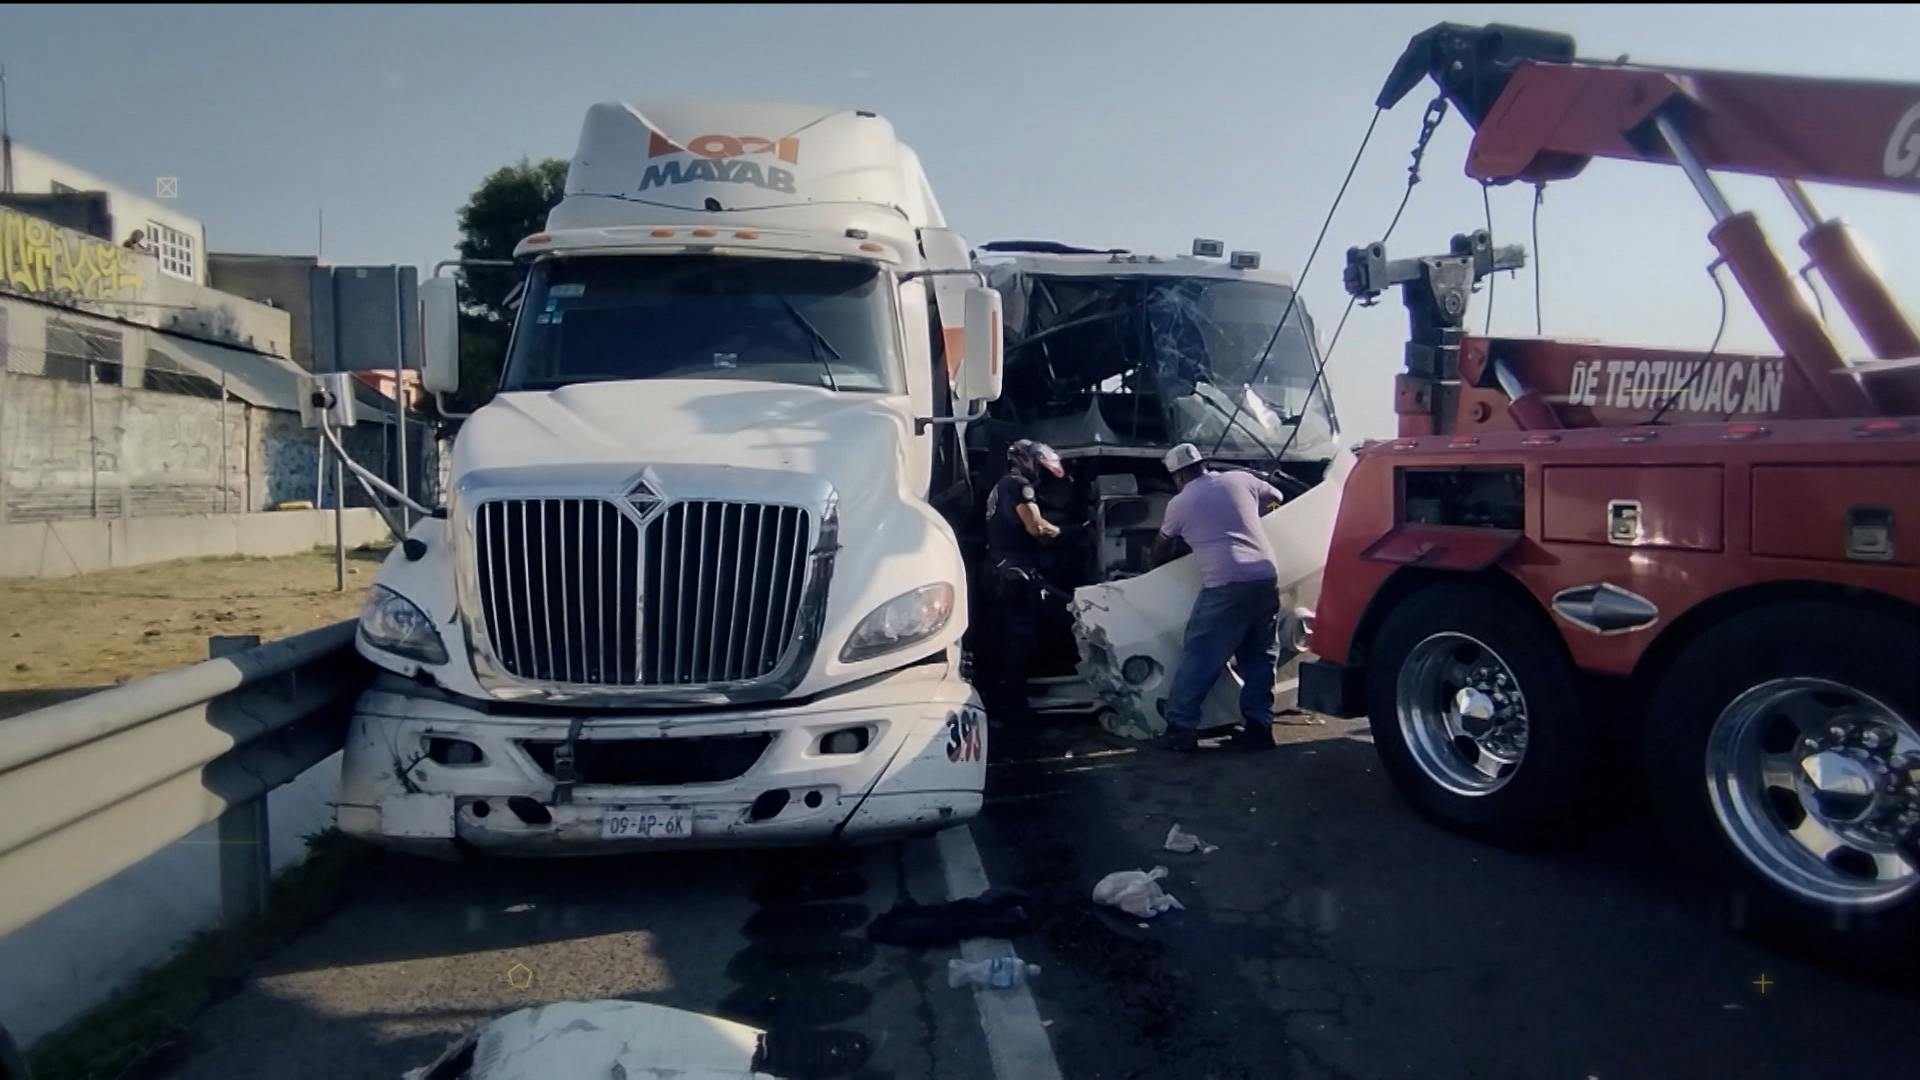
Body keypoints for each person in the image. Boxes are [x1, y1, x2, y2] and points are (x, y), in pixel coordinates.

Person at [1150, 442, 1286, 752]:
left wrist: (1154, 566)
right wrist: (1246, 516)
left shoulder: (1180, 503)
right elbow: (1277, 497)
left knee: (1202, 655)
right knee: (1260, 656)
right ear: (1202, 464)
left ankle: (1181, 729)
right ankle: (1260, 728)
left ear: (1177, 476)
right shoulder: (1241, 479)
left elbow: (1162, 546)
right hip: (1266, 576)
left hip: (1226, 583)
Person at [979, 438, 1066, 721]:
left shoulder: (1001, 486)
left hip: (998, 570)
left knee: (1000, 639)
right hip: (1015, 574)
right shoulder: (1019, 485)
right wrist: (1067, 533)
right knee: (1019, 641)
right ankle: (1016, 710)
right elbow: (1036, 527)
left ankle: (999, 703)